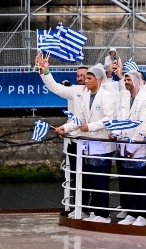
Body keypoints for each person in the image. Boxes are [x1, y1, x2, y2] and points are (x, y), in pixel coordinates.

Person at [37, 56, 116, 222]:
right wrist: (65, 128)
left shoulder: (107, 96)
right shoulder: (84, 95)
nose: (85, 81)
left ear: (98, 79)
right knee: (90, 180)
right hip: (87, 145)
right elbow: (78, 118)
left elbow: (109, 119)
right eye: (84, 78)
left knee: (100, 181)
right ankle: (93, 212)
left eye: (88, 78)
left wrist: (91, 126)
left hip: (101, 144)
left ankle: (103, 214)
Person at [111, 67, 146, 227]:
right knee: (128, 182)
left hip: (138, 150)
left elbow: (143, 126)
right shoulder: (123, 97)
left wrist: (132, 147)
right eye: (125, 80)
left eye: (128, 80)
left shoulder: (145, 98)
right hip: (123, 147)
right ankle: (131, 212)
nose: (126, 82)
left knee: (140, 183)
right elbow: (119, 118)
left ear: (135, 81)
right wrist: (115, 133)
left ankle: (143, 214)